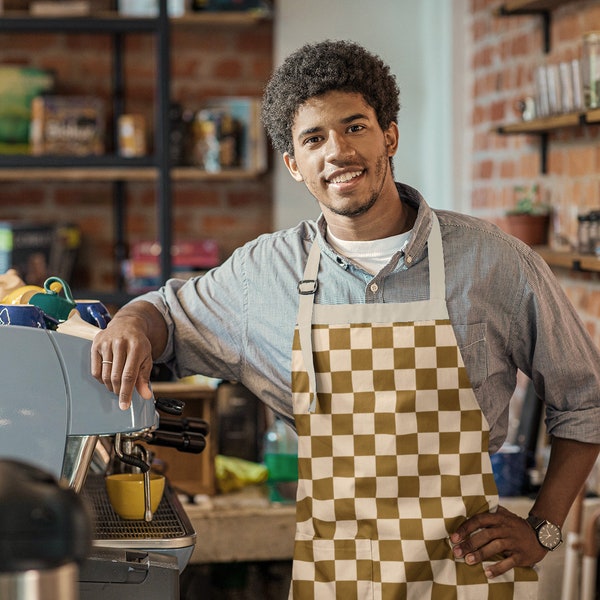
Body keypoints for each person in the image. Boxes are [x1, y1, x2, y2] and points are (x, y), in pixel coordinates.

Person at [91, 39, 600, 598]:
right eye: (313, 138)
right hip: (336, 576)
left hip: (465, 573)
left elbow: (586, 400)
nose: (337, 151)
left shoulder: (494, 261)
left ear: (390, 135)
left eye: (354, 127)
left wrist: (543, 528)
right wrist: (131, 325)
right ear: (293, 164)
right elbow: (164, 311)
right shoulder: (267, 272)